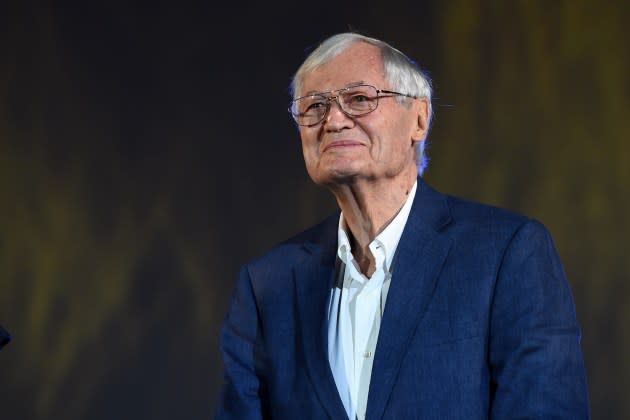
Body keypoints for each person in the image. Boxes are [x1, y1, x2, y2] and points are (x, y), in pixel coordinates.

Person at [215, 32, 589, 419]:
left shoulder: (507, 253)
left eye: (359, 99)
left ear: (420, 119)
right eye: (314, 107)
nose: (334, 121)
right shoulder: (267, 285)